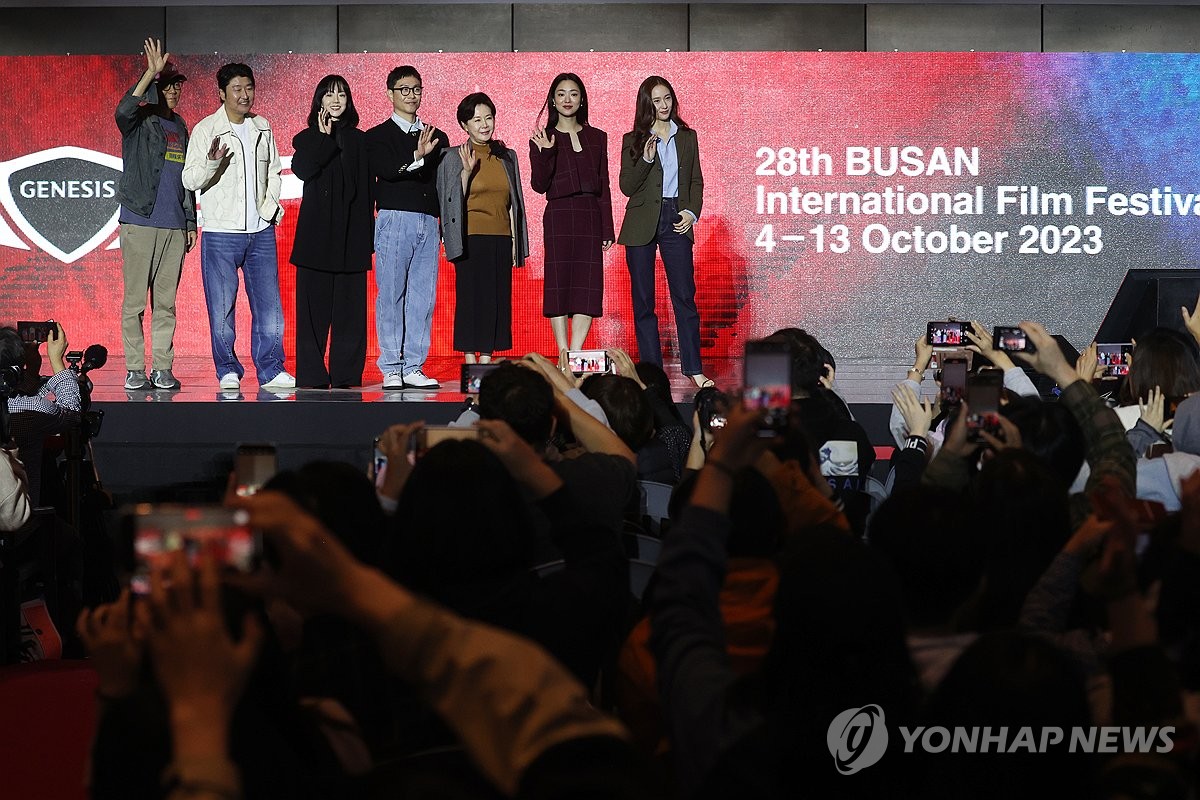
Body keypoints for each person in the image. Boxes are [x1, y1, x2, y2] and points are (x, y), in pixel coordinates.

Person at [182, 62, 293, 391]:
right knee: (222, 307)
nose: (245, 95)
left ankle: (271, 369)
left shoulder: (263, 126)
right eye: (237, 89)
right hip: (221, 233)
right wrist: (213, 162)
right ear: (221, 93)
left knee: (269, 307)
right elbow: (189, 178)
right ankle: (227, 368)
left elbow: (273, 172)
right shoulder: (206, 129)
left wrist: (269, 208)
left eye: (249, 88)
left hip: (261, 232)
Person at [617, 76, 711, 388]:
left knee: (684, 295)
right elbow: (627, 186)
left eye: (667, 98)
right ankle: (652, 373)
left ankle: (693, 368)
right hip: (642, 219)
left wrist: (690, 211)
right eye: (656, 100)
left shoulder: (687, 136)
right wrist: (645, 157)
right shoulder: (633, 139)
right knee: (643, 300)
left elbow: (695, 180)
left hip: (675, 216)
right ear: (646, 104)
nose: (663, 105)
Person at [115, 38, 195, 392]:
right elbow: (123, 110)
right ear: (156, 89)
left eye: (178, 85)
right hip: (140, 221)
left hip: (174, 226)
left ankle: (162, 367)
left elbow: (188, 180)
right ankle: (135, 368)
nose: (175, 91)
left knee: (166, 305)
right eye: (168, 85)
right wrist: (149, 73)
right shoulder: (139, 120)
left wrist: (190, 222)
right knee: (134, 303)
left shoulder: (181, 126)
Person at [289, 75, 373, 389]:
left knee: (350, 315)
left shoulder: (360, 140)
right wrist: (323, 138)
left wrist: (368, 238)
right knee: (311, 316)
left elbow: (367, 193)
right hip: (315, 240)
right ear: (319, 101)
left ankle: (346, 375)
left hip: (352, 239)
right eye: (329, 95)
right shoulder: (308, 138)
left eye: (342, 95)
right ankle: (311, 375)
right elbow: (303, 170)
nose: (336, 100)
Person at [366, 66, 446, 390]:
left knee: (423, 298)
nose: (411, 95)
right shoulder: (377, 137)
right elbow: (386, 169)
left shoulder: (435, 133)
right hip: (394, 219)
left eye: (416, 89)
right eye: (404, 89)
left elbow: (439, 181)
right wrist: (417, 155)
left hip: (429, 220)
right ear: (390, 94)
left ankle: (413, 365)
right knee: (391, 296)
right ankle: (391, 367)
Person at [436, 93, 528, 365]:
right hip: (469, 239)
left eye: (489, 117)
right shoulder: (452, 156)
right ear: (464, 125)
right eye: (477, 120)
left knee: (496, 302)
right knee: (470, 301)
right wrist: (465, 172)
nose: (484, 124)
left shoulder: (507, 156)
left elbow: (514, 203)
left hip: (500, 238)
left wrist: (516, 243)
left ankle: (486, 363)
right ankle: (470, 363)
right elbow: (449, 203)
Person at [529, 73, 614, 355]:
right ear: (552, 100)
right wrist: (545, 153)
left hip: (590, 215)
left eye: (574, 93)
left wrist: (607, 229)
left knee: (587, 286)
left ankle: (577, 353)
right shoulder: (543, 137)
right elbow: (539, 185)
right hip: (559, 214)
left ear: (582, 99)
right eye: (562, 94)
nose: (568, 99)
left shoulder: (597, 137)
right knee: (559, 281)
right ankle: (563, 353)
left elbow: (605, 186)